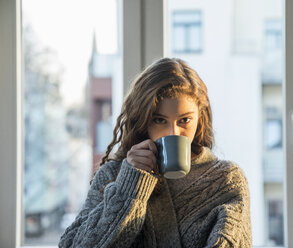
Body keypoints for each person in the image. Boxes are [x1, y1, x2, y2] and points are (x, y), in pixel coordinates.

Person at [59, 58, 252, 247]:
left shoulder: (226, 180)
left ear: (200, 118)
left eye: (184, 120)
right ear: (143, 120)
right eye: (159, 120)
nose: (173, 132)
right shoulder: (113, 176)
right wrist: (130, 186)